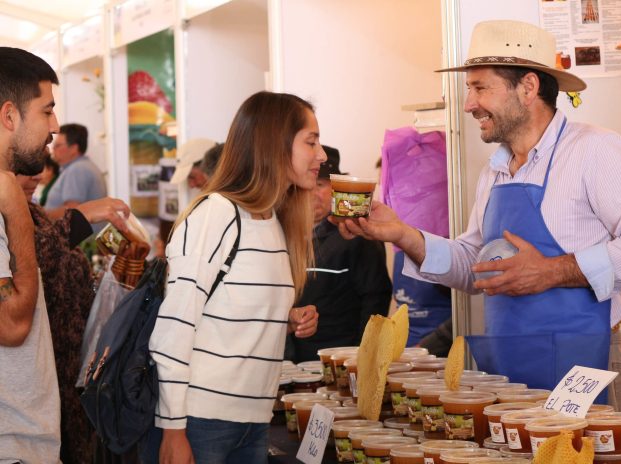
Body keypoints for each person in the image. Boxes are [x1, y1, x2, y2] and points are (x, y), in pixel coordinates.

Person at [332, 20, 621, 410]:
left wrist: (551, 271)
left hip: (583, 364)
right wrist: (402, 234)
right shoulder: (495, 171)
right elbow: (473, 267)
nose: (468, 104)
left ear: (528, 88)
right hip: (510, 371)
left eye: (480, 88)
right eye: (469, 89)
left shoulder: (594, 150)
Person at [143, 91, 324, 464]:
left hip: (252, 419)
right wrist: (173, 430)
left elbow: (226, 308)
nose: (321, 155)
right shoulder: (217, 214)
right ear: (275, 144)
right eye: (311, 141)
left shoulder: (274, 220)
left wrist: (284, 319)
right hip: (201, 420)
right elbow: (175, 326)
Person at [16, 158, 130, 464]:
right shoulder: (10, 222)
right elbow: (38, 257)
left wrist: (109, 277)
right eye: (24, 168)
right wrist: (80, 216)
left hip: (70, 379)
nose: (37, 175)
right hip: (38, 389)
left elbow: (63, 272)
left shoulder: (33, 214)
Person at [0, 46, 61, 464]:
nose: (55, 126)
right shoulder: (5, 199)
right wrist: (14, 205)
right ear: (9, 116)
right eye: (47, 111)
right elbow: (12, 322)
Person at [285, 145, 392, 363]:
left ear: (336, 190)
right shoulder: (285, 235)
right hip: (292, 361)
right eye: (306, 185)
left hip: (339, 360)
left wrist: (362, 357)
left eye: (321, 184)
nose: (312, 192)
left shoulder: (355, 234)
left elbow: (376, 298)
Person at [45, 123, 107, 227]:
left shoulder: (77, 170)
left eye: (57, 146)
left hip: (82, 242)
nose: (53, 150)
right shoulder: (83, 166)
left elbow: (72, 211)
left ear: (74, 148)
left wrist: (40, 215)